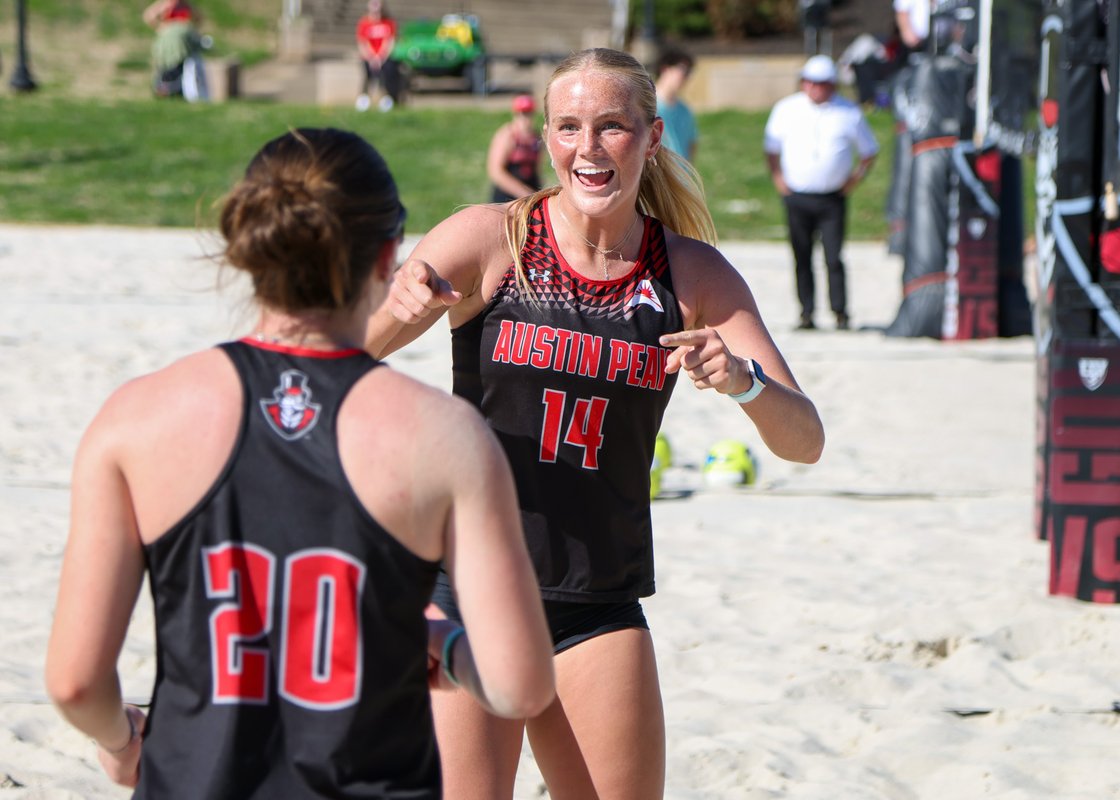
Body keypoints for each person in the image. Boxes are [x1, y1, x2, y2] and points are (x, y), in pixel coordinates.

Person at [366, 47, 824, 800]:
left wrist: (743, 384)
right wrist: (393, 311)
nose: (588, 148)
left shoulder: (692, 274)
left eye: (610, 127)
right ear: (544, 136)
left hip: (597, 599)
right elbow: (331, 367)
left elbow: (803, 440)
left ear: (651, 137)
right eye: (569, 126)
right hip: (468, 590)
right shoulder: (491, 240)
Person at [43, 128, 555, 798]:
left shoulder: (136, 418)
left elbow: (75, 680)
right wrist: (447, 648)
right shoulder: (444, 434)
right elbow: (520, 685)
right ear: (386, 255)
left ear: (248, 246)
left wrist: (121, 742)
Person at [764, 54, 879, 330]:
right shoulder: (786, 109)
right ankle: (807, 312)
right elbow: (771, 148)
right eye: (811, 82)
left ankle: (840, 312)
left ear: (833, 85)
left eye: (823, 83)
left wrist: (853, 181)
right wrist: (779, 179)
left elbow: (869, 152)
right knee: (801, 255)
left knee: (833, 257)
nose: (816, 89)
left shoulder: (848, 112)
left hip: (832, 198)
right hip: (798, 195)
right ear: (803, 83)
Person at [143, 0, 208, 101]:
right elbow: (149, 16)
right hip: (170, 39)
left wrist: (190, 28)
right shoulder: (166, 4)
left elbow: (199, 18)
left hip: (183, 40)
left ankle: (183, 90)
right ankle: (164, 89)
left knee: (184, 66)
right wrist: (161, 27)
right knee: (166, 68)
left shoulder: (186, 5)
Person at [487, 93, 544, 203]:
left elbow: (537, 169)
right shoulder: (507, 136)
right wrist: (523, 193)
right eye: (522, 114)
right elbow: (496, 172)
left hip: (530, 191)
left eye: (528, 113)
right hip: (507, 195)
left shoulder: (536, 138)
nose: (525, 118)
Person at [654, 47, 698, 163]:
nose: (686, 77)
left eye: (689, 72)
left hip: (680, 175)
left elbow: (692, 144)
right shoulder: (647, 106)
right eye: (683, 70)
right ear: (665, 69)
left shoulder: (684, 109)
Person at [355, 0, 401, 112]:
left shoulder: (388, 23)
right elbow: (363, 43)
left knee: (387, 72)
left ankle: (386, 97)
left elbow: (389, 41)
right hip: (369, 58)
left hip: (384, 57)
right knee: (368, 72)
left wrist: (380, 57)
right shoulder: (364, 23)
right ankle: (364, 96)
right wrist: (372, 58)